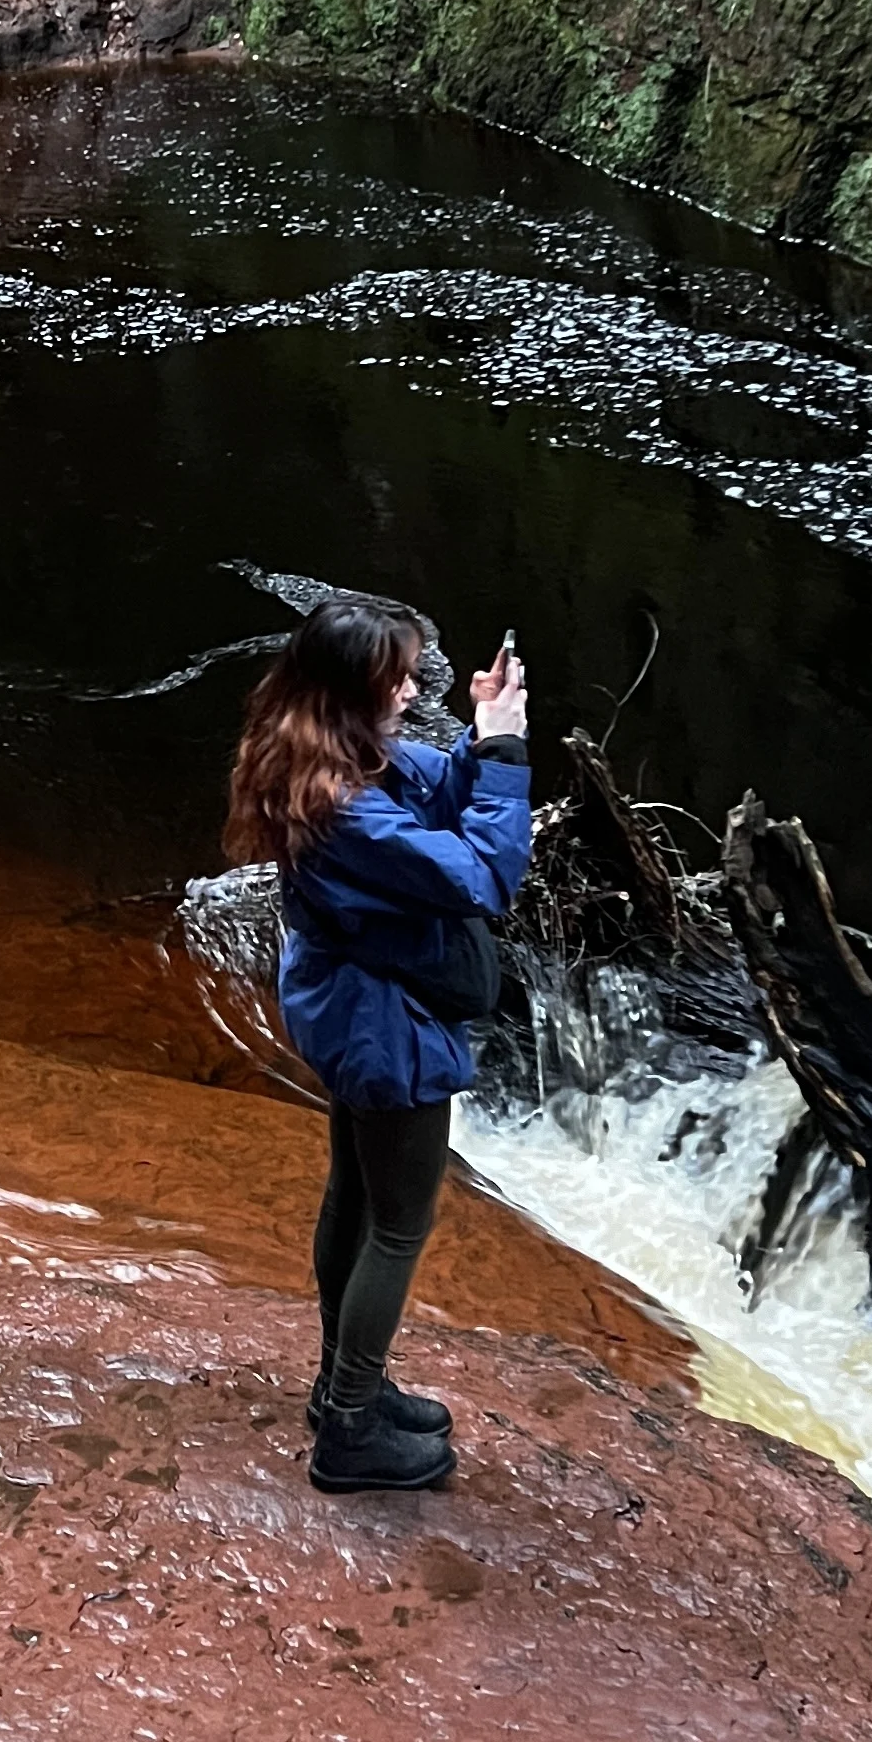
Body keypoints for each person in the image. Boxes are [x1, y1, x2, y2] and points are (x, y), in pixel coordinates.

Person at [222, 597, 531, 1493]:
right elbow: (481, 876)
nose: (412, 684)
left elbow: (438, 788)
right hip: (382, 1026)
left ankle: (340, 1386)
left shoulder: (321, 752)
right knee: (399, 1226)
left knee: (355, 1194)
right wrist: (509, 753)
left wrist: (482, 738)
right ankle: (351, 1429)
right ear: (353, 691)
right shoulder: (346, 808)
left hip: (351, 1010)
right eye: (397, 673)